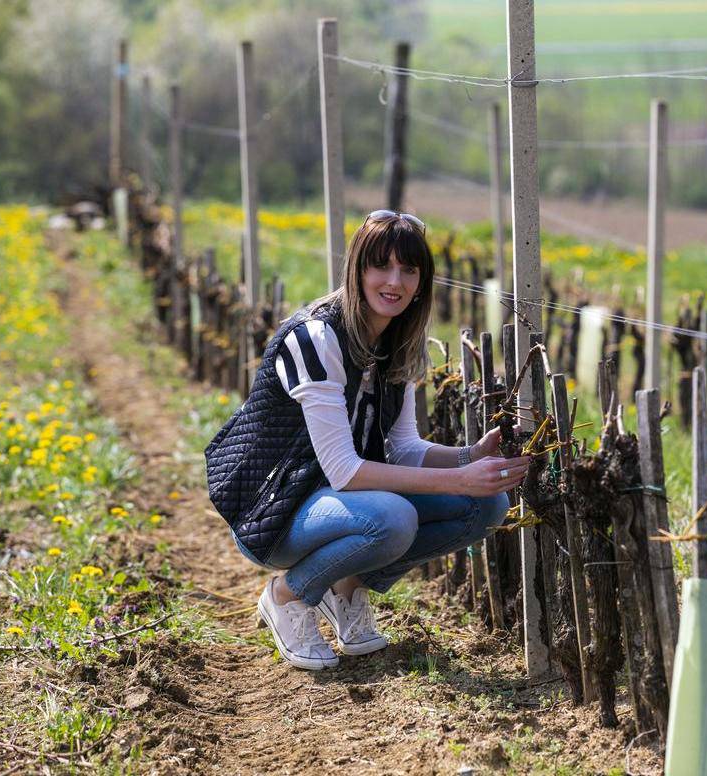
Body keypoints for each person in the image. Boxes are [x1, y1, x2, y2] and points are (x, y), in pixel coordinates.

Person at [205, 210, 530, 670]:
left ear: (422, 280)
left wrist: (469, 457)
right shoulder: (315, 338)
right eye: (381, 266)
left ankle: (347, 586)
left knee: (487, 506)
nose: (394, 281)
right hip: (276, 509)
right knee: (393, 517)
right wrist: (460, 478)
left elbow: (403, 449)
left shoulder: (400, 345)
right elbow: (345, 470)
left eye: (409, 270)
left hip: (336, 506)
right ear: (357, 269)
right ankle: (286, 595)